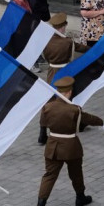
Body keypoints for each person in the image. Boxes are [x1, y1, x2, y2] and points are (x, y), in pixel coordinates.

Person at [34, 77, 104, 206]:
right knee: (76, 173)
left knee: (49, 176)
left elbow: (43, 123)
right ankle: (80, 197)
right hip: (70, 146)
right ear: (70, 91)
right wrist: (100, 122)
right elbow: (87, 119)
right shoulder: (74, 109)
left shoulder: (47, 107)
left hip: (53, 145)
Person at [37, 13, 91, 145]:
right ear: (63, 27)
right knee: (71, 97)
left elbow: (47, 57)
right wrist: (96, 49)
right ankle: (79, 122)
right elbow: (80, 48)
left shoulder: (47, 41)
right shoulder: (67, 42)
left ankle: (42, 132)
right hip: (65, 72)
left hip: (51, 72)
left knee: (48, 101)